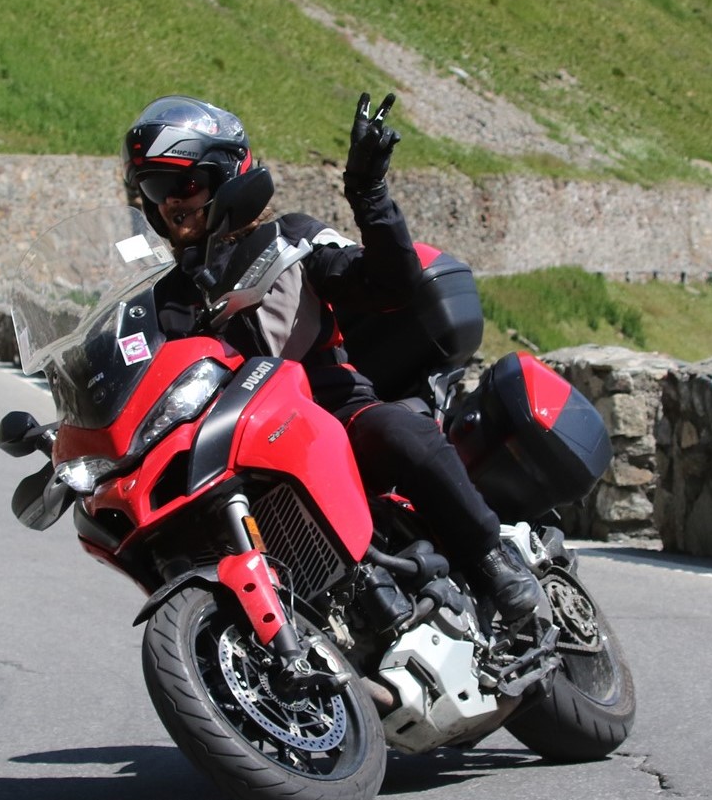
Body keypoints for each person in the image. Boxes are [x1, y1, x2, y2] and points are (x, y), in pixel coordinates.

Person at [120, 93, 542, 622]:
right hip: (233, 449)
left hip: (331, 414)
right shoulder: (164, 300)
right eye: (155, 190)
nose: (169, 203)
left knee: (397, 431)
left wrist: (369, 191)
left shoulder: (289, 241)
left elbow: (390, 282)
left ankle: (491, 559)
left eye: (182, 185)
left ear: (225, 177)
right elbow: (131, 373)